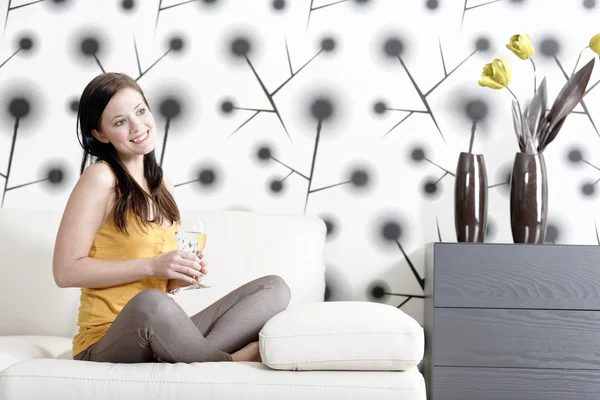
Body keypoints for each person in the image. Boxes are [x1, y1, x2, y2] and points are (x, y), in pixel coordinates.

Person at [52, 72, 291, 364]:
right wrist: (153, 265)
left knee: (273, 288)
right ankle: (229, 362)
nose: (137, 126)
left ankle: (193, 354)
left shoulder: (162, 184)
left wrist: (174, 278)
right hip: (105, 340)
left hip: (156, 326)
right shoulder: (100, 177)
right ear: (100, 135)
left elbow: (155, 281)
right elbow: (65, 271)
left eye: (140, 111)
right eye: (120, 122)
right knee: (151, 304)